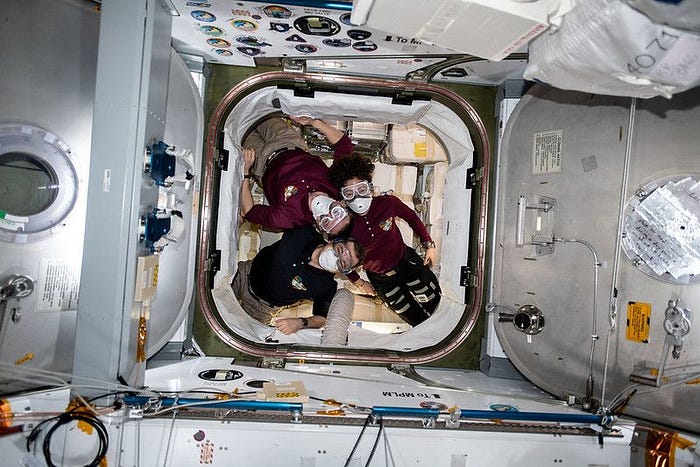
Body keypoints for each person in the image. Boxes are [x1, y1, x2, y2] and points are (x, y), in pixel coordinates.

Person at [327, 154, 441, 326]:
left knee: (435, 303)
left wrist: (428, 244)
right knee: (414, 318)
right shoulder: (342, 226)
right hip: (381, 280)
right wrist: (358, 282)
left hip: (408, 263)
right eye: (349, 193)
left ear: (370, 188)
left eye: (362, 190)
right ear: (343, 199)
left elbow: (411, 217)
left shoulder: (387, 203)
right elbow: (341, 261)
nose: (357, 198)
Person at [231, 224, 364, 335]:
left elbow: (322, 318)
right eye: (340, 249)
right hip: (242, 275)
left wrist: (299, 323)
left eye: (343, 263)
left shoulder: (325, 287)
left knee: (241, 336)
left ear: (343, 272)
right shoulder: (304, 231)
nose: (336, 258)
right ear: (333, 241)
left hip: (260, 308)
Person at [240, 116, 353, 238]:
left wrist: (245, 171)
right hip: (287, 140)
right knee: (257, 111)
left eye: (326, 222)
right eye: (337, 213)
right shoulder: (336, 182)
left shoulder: (290, 217)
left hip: (259, 160)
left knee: (238, 126)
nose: (327, 212)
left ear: (320, 228)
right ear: (342, 205)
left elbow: (249, 212)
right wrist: (314, 123)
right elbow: (344, 145)